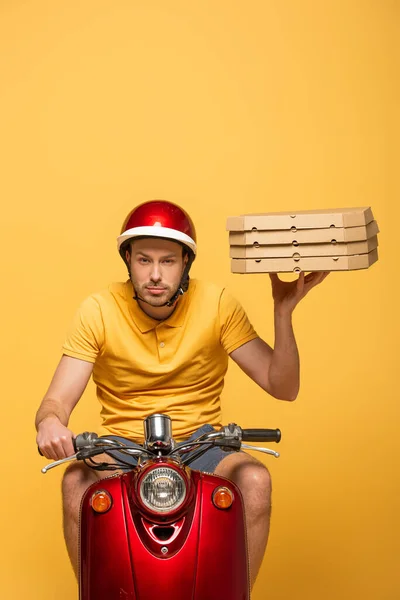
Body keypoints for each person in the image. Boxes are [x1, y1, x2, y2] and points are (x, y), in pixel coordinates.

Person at [35, 199, 329, 588]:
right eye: (144, 260)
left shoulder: (218, 304)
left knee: (256, 481)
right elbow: (56, 401)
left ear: (186, 263)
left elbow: (283, 386)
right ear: (128, 260)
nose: (155, 275)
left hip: (202, 443)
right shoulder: (99, 310)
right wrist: (51, 423)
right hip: (123, 443)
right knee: (75, 482)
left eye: (168, 261)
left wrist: (282, 310)